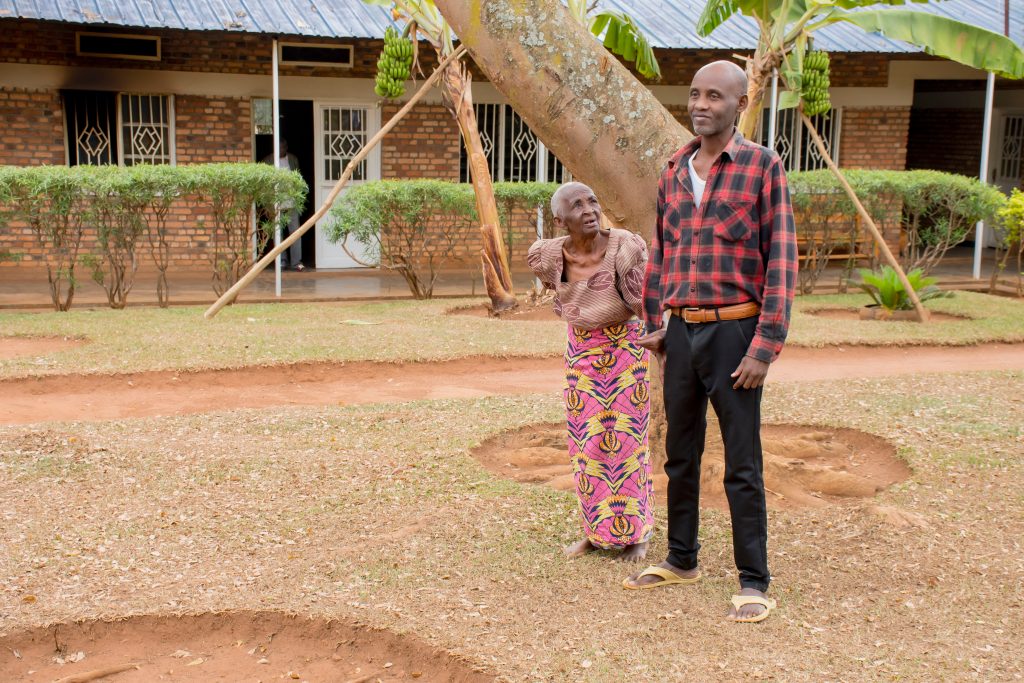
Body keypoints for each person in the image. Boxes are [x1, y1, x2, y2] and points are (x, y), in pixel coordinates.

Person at [624, 60, 797, 623]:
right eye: (695, 94)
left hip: (735, 333)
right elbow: (662, 252)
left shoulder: (762, 167)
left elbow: (781, 262)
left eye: (715, 96)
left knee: (741, 463)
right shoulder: (674, 170)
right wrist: (657, 322)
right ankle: (681, 558)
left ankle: (753, 581)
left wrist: (764, 347)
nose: (701, 104)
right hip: (680, 334)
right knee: (680, 454)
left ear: (740, 104)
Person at [527, 182, 655, 562]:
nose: (589, 210)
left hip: (624, 350)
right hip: (580, 352)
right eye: (577, 205)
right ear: (560, 220)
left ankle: (637, 533)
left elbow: (643, 304)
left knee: (627, 442)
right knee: (586, 445)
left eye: (593, 201)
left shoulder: (624, 247)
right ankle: (596, 532)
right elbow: (557, 289)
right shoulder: (548, 255)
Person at [261, 138, 304, 271]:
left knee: (295, 232)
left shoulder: (293, 159)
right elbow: (264, 184)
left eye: (283, 147)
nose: (281, 150)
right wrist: (267, 204)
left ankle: (296, 262)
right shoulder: (267, 161)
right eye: (278, 148)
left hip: (292, 202)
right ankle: (282, 260)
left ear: (286, 147)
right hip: (275, 203)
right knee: (278, 232)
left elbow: (298, 179)